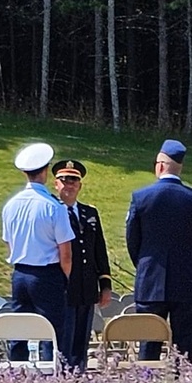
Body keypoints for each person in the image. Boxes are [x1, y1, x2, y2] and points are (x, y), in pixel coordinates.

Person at [125, 138, 192, 363]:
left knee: (148, 346)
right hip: (186, 282)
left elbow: (133, 241)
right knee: (184, 349)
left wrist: (145, 265)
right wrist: (191, 264)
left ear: (160, 165)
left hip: (150, 283)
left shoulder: (141, 198)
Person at [1, 143, 74, 364]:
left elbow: (8, 244)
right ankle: (52, 376)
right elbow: (66, 253)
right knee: (52, 332)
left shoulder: (11, 205)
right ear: (44, 171)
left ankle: (17, 373)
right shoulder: (53, 207)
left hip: (20, 273)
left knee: (19, 329)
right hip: (47, 274)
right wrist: (66, 279)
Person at [52, 158, 112, 371]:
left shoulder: (90, 213)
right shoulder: (51, 210)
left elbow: (99, 251)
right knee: (63, 341)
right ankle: (62, 381)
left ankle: (79, 379)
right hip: (63, 285)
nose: (69, 185)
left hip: (86, 286)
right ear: (56, 183)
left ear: (80, 185)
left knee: (81, 341)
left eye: (74, 181)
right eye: (65, 180)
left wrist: (105, 285)